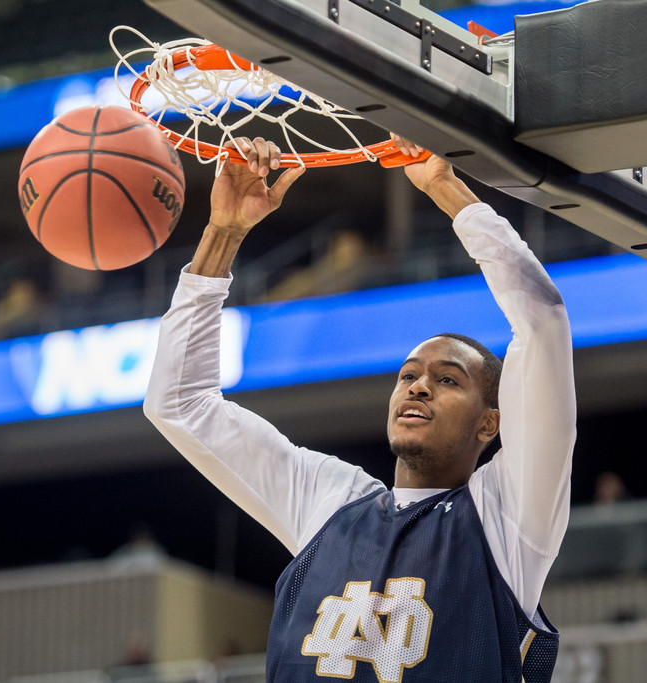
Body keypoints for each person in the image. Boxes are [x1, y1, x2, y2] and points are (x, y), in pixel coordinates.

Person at [144, 135, 576, 682]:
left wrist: (444, 188)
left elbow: (543, 321)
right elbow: (180, 403)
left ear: (490, 422)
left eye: (447, 380)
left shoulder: (508, 521)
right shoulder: (331, 501)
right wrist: (224, 234)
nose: (418, 387)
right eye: (408, 376)